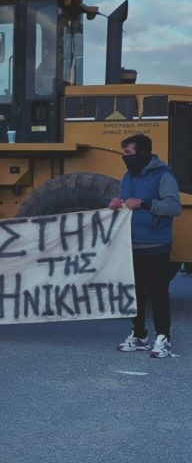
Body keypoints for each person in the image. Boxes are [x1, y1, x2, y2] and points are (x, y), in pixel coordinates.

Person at [110, 133, 181, 358]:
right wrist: (116, 204)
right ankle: (139, 335)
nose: (125, 158)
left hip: (156, 245)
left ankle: (163, 338)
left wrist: (144, 203)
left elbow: (173, 207)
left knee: (158, 292)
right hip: (131, 245)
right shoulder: (127, 176)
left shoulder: (164, 176)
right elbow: (125, 201)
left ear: (142, 153)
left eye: (128, 153)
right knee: (135, 293)